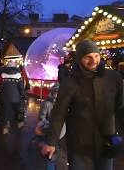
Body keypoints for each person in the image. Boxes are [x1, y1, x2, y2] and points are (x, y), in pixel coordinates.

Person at [41, 40, 123, 170]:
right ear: (79, 59)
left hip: (106, 141)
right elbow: (59, 113)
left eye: (96, 56)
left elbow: (120, 107)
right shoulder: (70, 82)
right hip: (79, 144)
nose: (94, 61)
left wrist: (119, 133)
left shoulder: (113, 78)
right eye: (88, 57)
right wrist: (51, 141)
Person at [0, 60, 25, 134]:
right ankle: (19, 124)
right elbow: (21, 87)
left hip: (4, 97)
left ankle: (5, 127)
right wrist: (23, 95)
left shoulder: (2, 74)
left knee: (5, 112)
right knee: (17, 110)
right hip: (16, 97)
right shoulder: (18, 75)